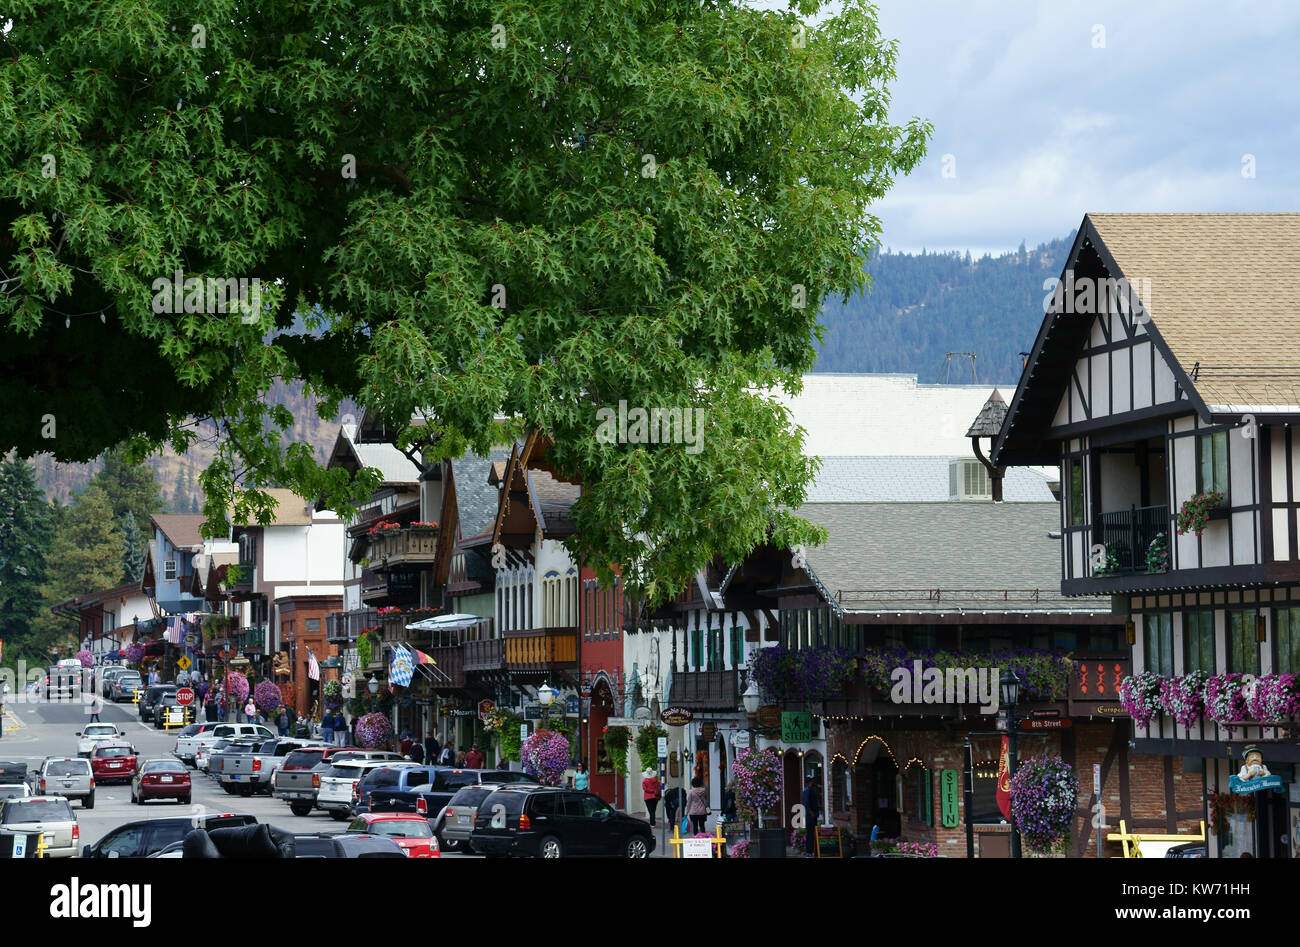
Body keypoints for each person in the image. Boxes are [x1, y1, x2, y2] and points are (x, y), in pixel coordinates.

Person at [800, 776, 821, 856]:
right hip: (810, 816)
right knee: (810, 834)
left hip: (813, 816)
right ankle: (809, 852)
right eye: (812, 781)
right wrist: (811, 813)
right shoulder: (807, 790)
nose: (814, 782)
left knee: (812, 833)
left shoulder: (811, 790)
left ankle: (812, 851)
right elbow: (806, 803)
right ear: (810, 782)